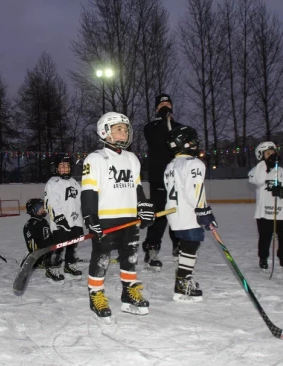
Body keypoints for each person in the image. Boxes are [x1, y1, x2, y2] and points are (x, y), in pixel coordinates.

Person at [81, 111, 155, 322]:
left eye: (125, 129)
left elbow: (137, 188)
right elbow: (89, 190)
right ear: (105, 132)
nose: (124, 133)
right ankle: (95, 294)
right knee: (101, 257)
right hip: (106, 219)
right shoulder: (96, 158)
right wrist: (89, 216)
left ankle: (128, 292)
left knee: (130, 256)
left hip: (129, 218)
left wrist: (143, 208)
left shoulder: (132, 159)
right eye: (119, 129)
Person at [164, 126, 217, 302]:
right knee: (191, 245)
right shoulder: (194, 163)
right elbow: (195, 190)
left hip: (174, 214)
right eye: (192, 140)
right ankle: (182, 284)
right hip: (189, 212)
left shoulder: (170, 165)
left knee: (187, 245)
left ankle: (183, 280)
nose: (195, 144)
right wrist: (204, 211)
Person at [142, 93, 183, 270]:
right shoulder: (151, 127)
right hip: (159, 178)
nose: (165, 106)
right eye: (161, 104)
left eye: (167, 103)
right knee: (159, 216)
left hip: (177, 179)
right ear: (157, 108)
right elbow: (156, 140)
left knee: (178, 214)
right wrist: (162, 120)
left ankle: (178, 245)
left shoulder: (179, 128)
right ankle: (151, 249)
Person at [248, 141, 283, 272]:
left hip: (281, 212)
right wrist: (266, 165)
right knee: (265, 237)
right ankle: (263, 258)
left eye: (273, 153)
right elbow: (256, 180)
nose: (271, 155)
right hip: (264, 212)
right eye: (267, 153)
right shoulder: (256, 170)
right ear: (261, 156)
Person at [45, 155, 83, 280]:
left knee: (73, 245)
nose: (64, 168)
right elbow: (50, 202)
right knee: (59, 246)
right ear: (56, 168)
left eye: (67, 166)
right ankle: (52, 268)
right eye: (61, 166)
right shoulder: (53, 182)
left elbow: (80, 200)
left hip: (75, 220)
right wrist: (59, 218)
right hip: (60, 222)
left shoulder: (74, 182)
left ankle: (70, 265)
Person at [23, 198, 65, 283]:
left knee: (61, 241)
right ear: (33, 210)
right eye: (40, 208)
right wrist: (36, 256)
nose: (43, 209)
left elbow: (48, 236)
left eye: (43, 207)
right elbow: (31, 242)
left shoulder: (43, 221)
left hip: (48, 250)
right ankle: (50, 269)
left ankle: (54, 260)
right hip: (41, 253)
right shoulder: (31, 224)